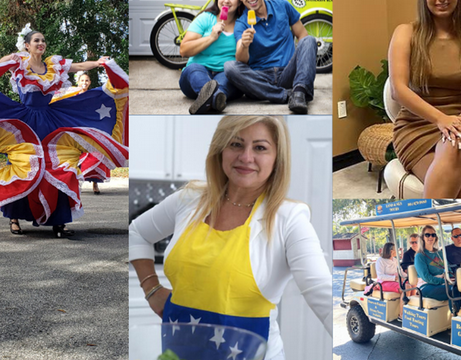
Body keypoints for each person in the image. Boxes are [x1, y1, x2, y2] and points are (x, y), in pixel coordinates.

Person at [130, 116, 329, 360]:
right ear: (220, 150)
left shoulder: (289, 218)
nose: (246, 157)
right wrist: (151, 289)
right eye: (236, 144)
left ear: (277, 158)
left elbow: (320, 288)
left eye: (260, 147)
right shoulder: (189, 199)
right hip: (179, 351)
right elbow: (137, 232)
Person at [0, 24, 128, 237]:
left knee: (61, 166)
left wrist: (98, 63)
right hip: (25, 122)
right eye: (36, 41)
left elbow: (77, 67)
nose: (41, 44)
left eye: (43, 41)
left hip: (51, 120)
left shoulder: (54, 65)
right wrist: (15, 56)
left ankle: (60, 221)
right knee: (22, 164)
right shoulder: (20, 64)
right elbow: (1, 63)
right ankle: (13, 218)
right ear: (27, 46)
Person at [388, 0, 461, 198]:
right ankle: (444, 231)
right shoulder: (405, 33)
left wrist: (460, 122)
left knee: (455, 145)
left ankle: (427, 228)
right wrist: (441, 120)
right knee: (458, 182)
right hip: (416, 127)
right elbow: (398, 90)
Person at [222, 0, 320, 114]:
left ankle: (299, 91)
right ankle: (285, 95)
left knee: (309, 40)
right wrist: (244, 44)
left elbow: (302, 35)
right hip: (261, 78)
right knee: (230, 66)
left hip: (288, 72)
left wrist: (302, 67)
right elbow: (240, 59)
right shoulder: (242, 23)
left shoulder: (282, 6)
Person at [179, 0, 239, 114]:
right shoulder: (205, 18)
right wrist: (211, 37)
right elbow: (184, 50)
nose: (226, 1)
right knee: (195, 69)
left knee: (228, 76)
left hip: (224, 72)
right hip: (195, 74)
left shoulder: (243, 23)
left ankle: (211, 99)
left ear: (240, 1)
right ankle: (214, 97)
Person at [413, 225, 461, 311]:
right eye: (427, 235)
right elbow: (426, 277)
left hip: (442, 283)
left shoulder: (439, 253)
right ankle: (455, 316)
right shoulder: (420, 256)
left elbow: (448, 268)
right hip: (426, 286)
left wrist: (450, 277)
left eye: (433, 235)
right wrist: (443, 281)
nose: (430, 237)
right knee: (452, 290)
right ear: (423, 237)